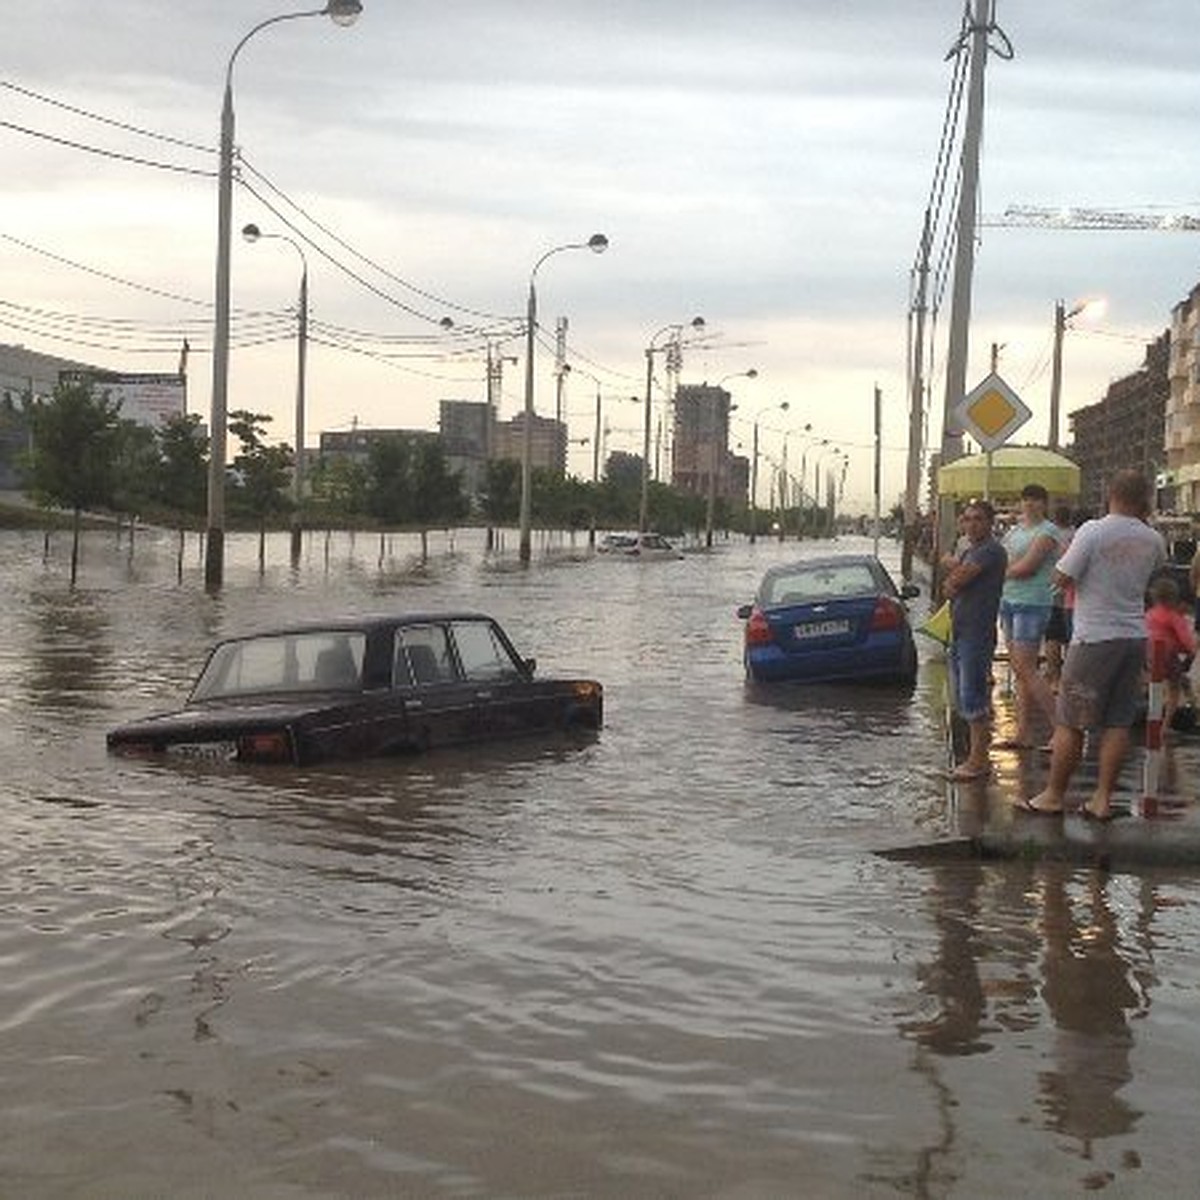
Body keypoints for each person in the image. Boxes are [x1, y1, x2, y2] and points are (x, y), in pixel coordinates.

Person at [1019, 470, 1167, 819]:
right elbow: (1152, 572)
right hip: (1133, 637)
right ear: (1145, 499)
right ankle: (1101, 800)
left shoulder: (1093, 531)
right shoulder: (1153, 539)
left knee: (1071, 722)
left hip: (1093, 640)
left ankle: (1053, 796)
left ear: (1109, 494)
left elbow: (1061, 577)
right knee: (1117, 723)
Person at [940, 499, 1008, 781]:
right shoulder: (970, 551)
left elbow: (957, 581)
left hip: (977, 634)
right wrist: (954, 574)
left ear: (989, 523)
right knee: (962, 697)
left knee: (973, 696)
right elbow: (949, 587)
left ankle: (978, 760)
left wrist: (950, 567)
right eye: (967, 519)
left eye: (978, 519)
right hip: (961, 630)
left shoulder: (991, 551)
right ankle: (973, 756)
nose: (971, 524)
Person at [998, 483, 1060, 747]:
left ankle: (1061, 726)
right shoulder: (1014, 532)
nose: (1030, 504)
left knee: (1026, 668)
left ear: (1045, 504)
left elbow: (1028, 566)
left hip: (1033, 603)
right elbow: (1004, 559)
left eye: (1036, 500)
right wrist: (1006, 570)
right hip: (1009, 601)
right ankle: (1023, 732)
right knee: (1021, 671)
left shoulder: (1048, 532)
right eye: (1026, 500)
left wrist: (1001, 572)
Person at [1145, 574, 1196, 732]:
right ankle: (1165, 725)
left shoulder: (1149, 615)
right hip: (1168, 656)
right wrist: (1192, 650)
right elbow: (1185, 639)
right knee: (1174, 689)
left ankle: (1152, 719)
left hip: (1150, 656)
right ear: (1174, 597)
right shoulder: (1173, 616)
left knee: (1156, 686)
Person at [1042, 504, 1077, 687]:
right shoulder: (1077, 535)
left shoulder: (1048, 535)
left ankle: (1053, 675)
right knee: (1072, 638)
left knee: (1052, 636)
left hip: (1051, 591)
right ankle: (1069, 678)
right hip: (1073, 595)